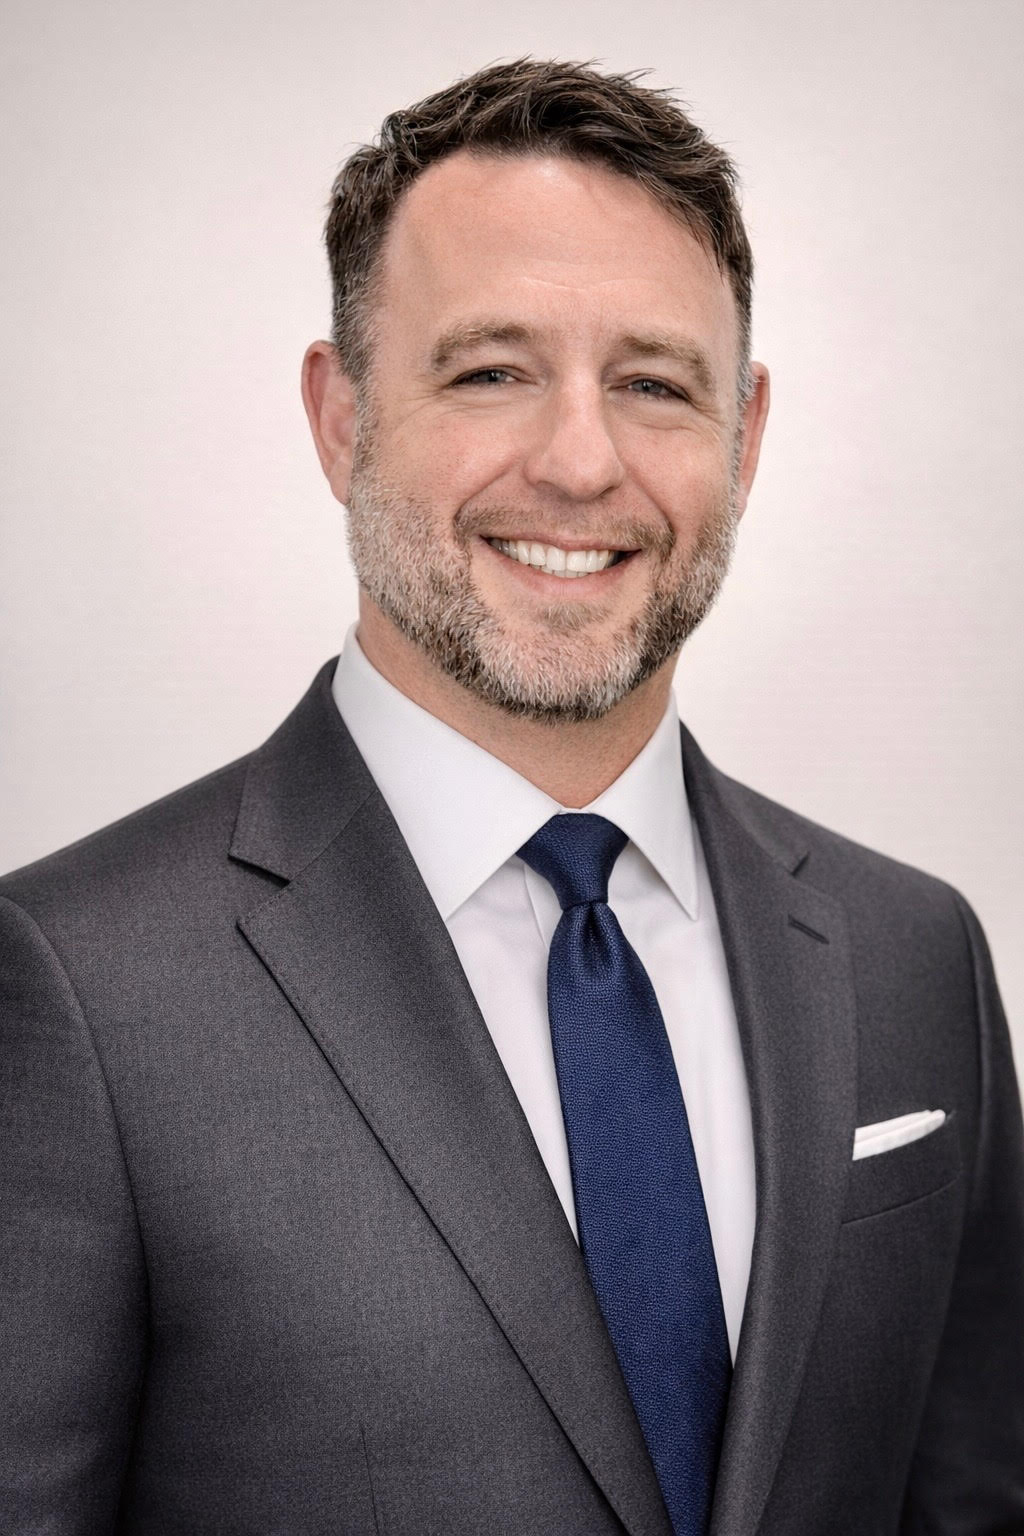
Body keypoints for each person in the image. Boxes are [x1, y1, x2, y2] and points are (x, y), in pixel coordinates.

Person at [1, 56, 1022, 1536]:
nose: (582, 462)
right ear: (341, 417)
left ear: (744, 438)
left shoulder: (916, 955)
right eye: (491, 371)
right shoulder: (77, 988)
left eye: (654, 385)